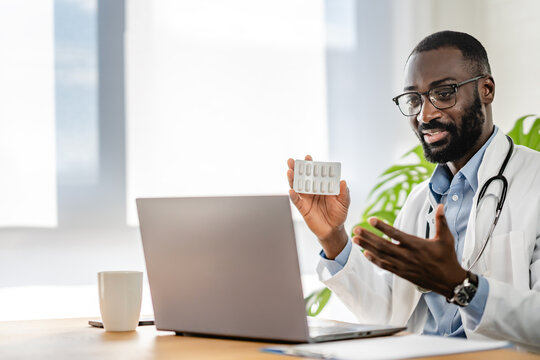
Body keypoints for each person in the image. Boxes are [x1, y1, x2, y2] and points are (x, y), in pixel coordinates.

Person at [287, 31, 540, 351]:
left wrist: (462, 287)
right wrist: (332, 238)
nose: (425, 114)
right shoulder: (422, 200)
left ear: (486, 89)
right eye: (414, 99)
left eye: (444, 93)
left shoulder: (534, 181)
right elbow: (387, 314)